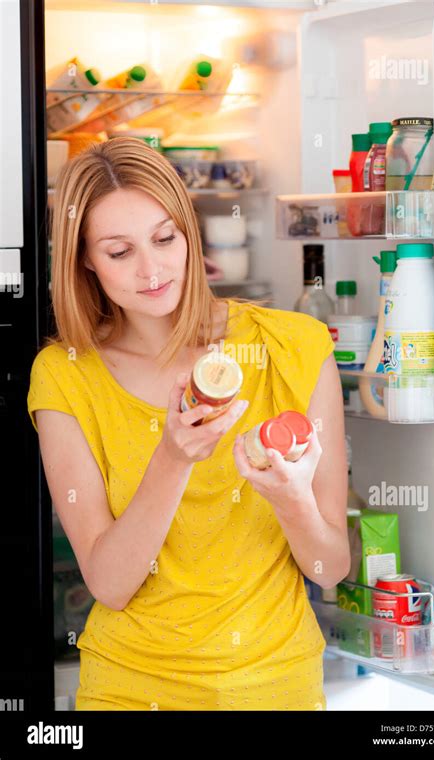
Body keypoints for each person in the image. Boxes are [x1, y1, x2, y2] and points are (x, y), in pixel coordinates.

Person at [27, 137, 349, 711]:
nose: (152, 270)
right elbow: (109, 584)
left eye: (164, 238)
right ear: (85, 259)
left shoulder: (292, 347)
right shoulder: (66, 375)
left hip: (276, 687)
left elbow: (329, 568)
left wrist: (292, 498)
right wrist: (173, 458)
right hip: (131, 691)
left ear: (189, 234)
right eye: (119, 251)